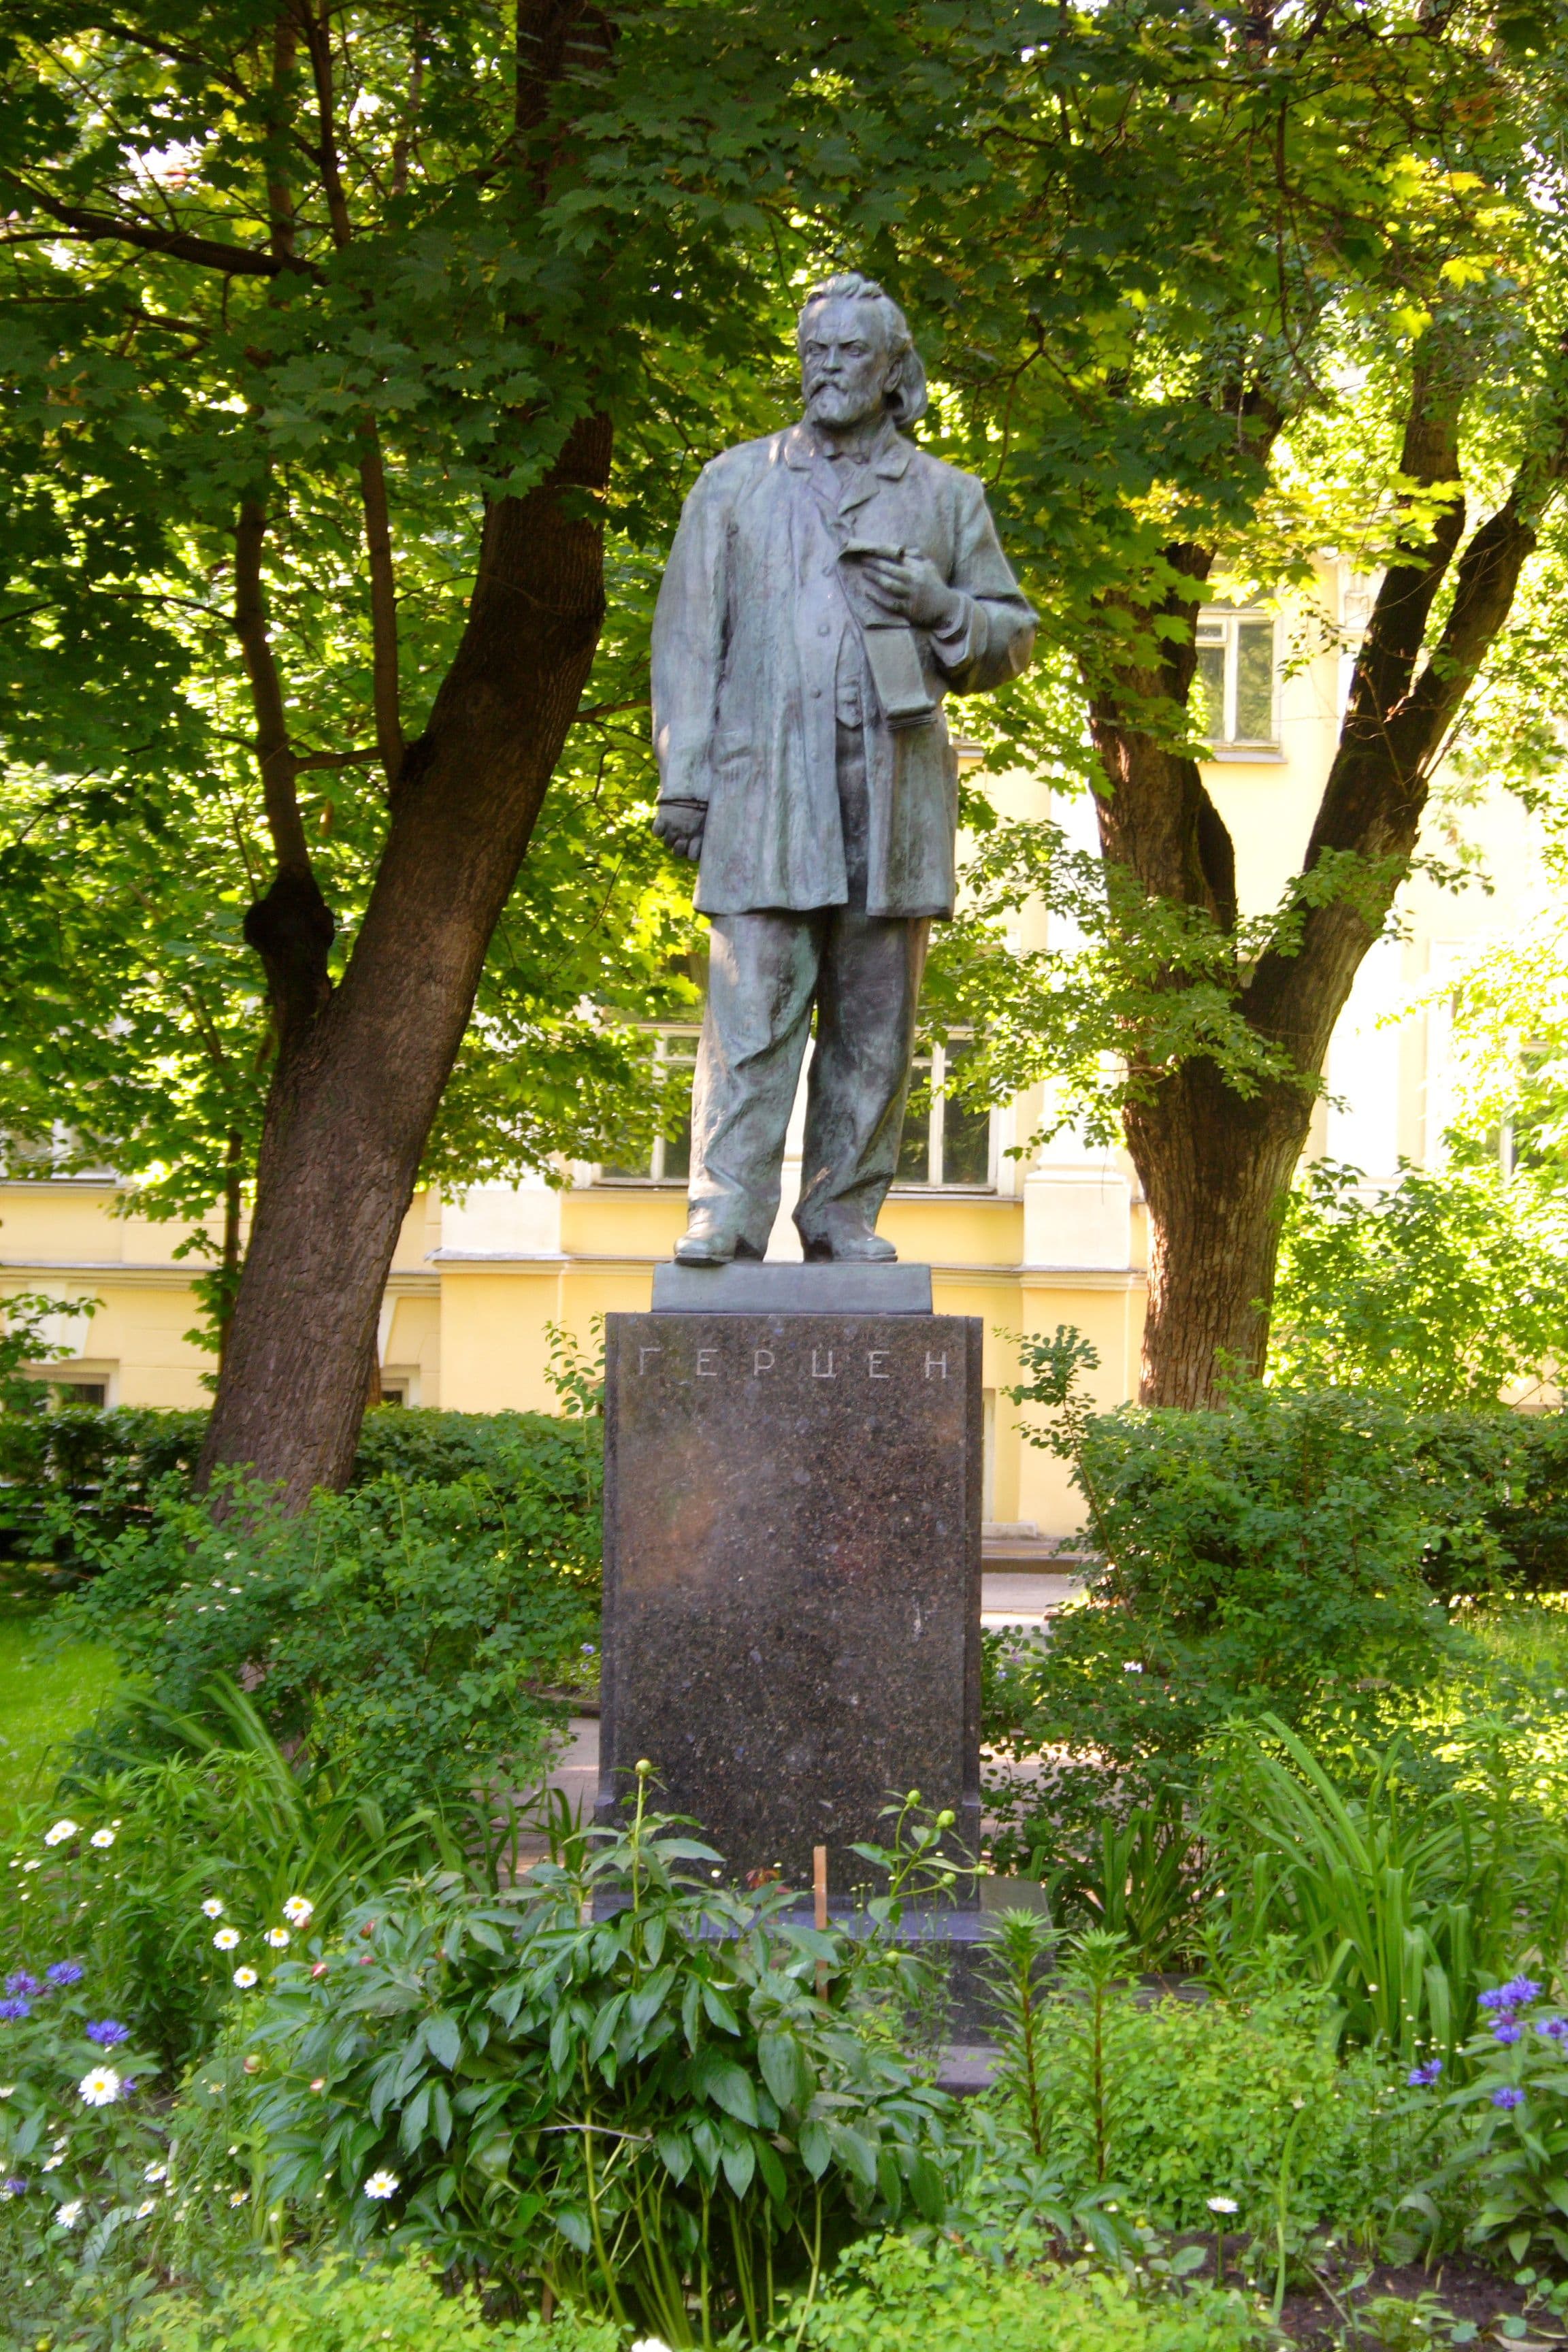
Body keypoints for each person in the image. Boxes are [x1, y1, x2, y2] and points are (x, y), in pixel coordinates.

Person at [651, 272, 1036, 1264]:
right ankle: (727, 1208)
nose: (826, 370)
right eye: (813, 351)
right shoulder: (735, 483)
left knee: (875, 1023)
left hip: (893, 787)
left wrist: (939, 605)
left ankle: (841, 1214)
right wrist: (683, 779)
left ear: (895, 368)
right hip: (763, 786)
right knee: (753, 1007)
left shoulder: (948, 498)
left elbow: (1009, 640)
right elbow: (689, 642)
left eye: (849, 353)